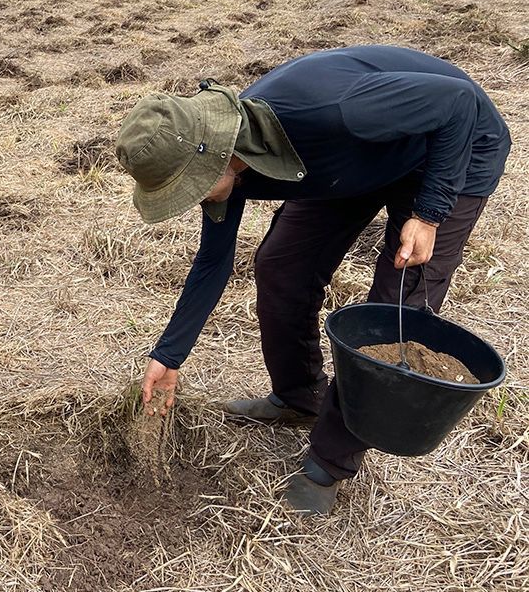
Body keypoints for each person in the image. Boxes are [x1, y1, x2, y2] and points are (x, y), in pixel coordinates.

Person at [114, 45, 510, 515]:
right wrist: (169, 354)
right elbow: (212, 262)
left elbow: (459, 102)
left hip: (449, 150)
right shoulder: (225, 158)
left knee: (391, 312)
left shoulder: (333, 112)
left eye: (188, 187)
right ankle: (299, 396)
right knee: (281, 266)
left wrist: (429, 213)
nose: (189, 199)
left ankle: (328, 464)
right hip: (353, 163)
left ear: (216, 154)